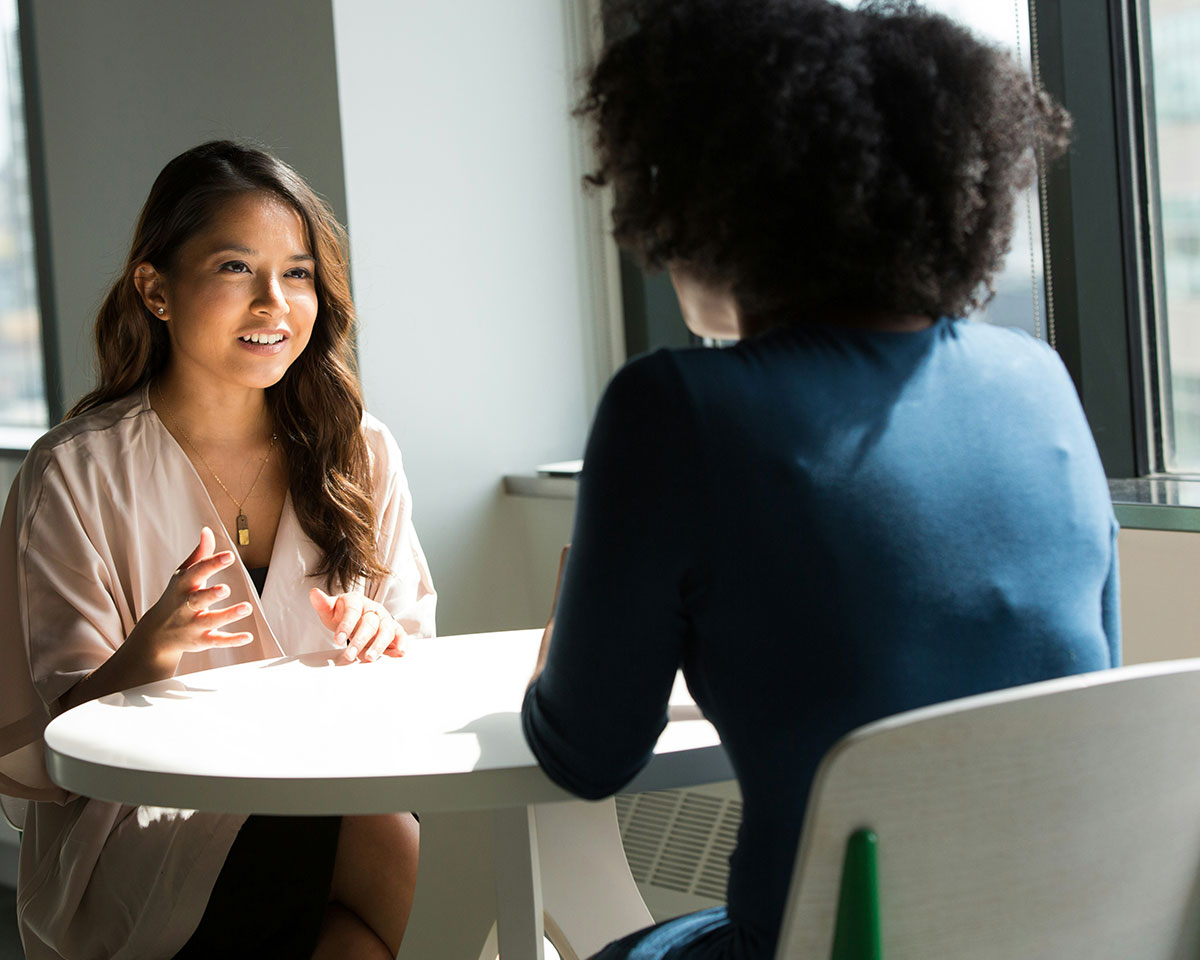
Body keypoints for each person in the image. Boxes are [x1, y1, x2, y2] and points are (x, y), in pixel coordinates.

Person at [521, 1, 1118, 958]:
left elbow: (586, 755)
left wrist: (565, 656)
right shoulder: (1038, 384)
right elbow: (1081, 694)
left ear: (712, 205)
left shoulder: (674, 407)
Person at [0, 140, 435, 959]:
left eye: (298, 273)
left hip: (330, 792)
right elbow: (48, 754)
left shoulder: (361, 452)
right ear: (155, 291)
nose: (274, 302)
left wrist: (385, 643)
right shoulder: (77, 474)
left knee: (363, 902)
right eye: (237, 268)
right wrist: (145, 657)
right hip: (142, 835)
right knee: (381, 845)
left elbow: (417, 665)